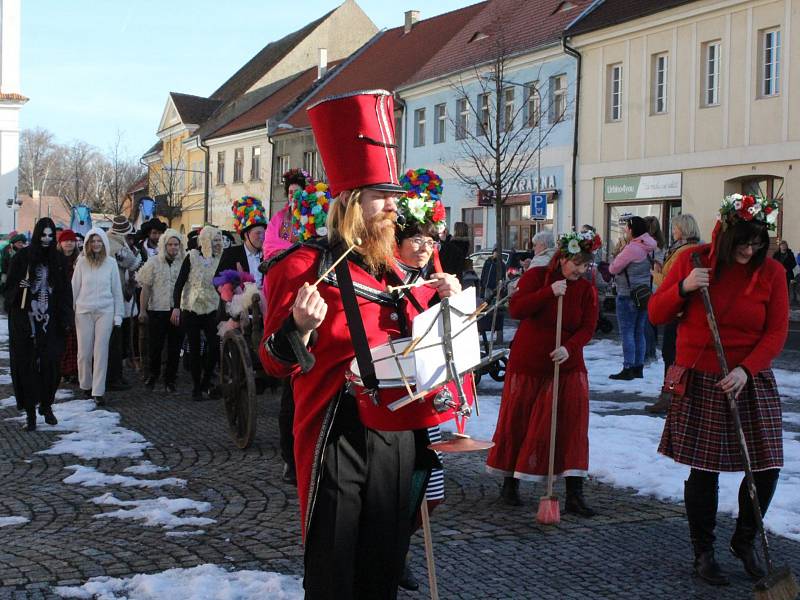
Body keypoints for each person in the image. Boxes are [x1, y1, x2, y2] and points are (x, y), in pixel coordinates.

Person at [259, 90, 459, 599]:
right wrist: (299, 327)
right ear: (350, 201)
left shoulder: (397, 270)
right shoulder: (302, 267)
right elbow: (272, 361)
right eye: (380, 196)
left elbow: (427, 348)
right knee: (335, 564)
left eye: (393, 195)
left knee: (383, 563)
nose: (394, 207)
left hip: (398, 430)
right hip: (339, 432)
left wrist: (446, 308)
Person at [649, 193, 788, 586]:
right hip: (702, 376)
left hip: (749, 377)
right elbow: (657, 313)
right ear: (726, 235)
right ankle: (703, 551)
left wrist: (747, 369)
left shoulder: (772, 274)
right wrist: (684, 288)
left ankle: (744, 541)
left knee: (767, 466)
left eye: (757, 244)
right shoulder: (695, 262)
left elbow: (776, 331)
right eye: (743, 242)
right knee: (705, 470)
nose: (749, 250)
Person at [486, 230, 600, 515]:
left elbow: (588, 327)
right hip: (530, 363)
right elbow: (517, 308)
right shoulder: (537, 277)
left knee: (571, 424)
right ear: (563, 258)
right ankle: (510, 484)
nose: (580, 270)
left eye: (585, 266)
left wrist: (570, 348)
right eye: (576, 264)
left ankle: (575, 493)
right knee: (521, 420)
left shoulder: (586, 289)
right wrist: (548, 292)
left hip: (567, 365)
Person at [392, 170, 449, 592]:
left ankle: (400, 550)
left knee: (428, 487)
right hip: (396, 399)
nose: (426, 248)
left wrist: (452, 300)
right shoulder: (388, 278)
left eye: (431, 242)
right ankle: (392, 554)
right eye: (418, 240)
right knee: (397, 487)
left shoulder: (427, 280)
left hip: (427, 396)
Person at [5, 218, 73, 430]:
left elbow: (64, 293)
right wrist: (19, 288)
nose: (46, 239)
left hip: (51, 324)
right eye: (43, 235)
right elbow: (7, 292)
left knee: (52, 366)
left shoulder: (58, 260)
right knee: (27, 368)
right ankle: (31, 414)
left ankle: (46, 404)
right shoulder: (23, 258)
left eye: (50, 236)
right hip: (26, 322)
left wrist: (66, 319)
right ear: (36, 235)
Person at [645, 214, 701, 413]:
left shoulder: (683, 251)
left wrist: (656, 275)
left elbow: (673, 282)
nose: (673, 231)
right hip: (682, 308)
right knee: (675, 355)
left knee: (671, 355)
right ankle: (673, 396)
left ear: (684, 229)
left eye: (676, 228)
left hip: (678, 309)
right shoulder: (688, 248)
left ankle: (669, 397)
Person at [71, 227, 124, 406]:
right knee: (84, 353)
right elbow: (74, 288)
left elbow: (117, 290)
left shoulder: (111, 263)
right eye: (92, 241)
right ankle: (85, 384)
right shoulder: (81, 263)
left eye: (99, 241)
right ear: (87, 243)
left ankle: (98, 390)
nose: (96, 244)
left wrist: (119, 314)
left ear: (104, 243)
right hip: (83, 311)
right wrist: (69, 312)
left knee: (101, 351)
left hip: (105, 311)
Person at [173, 226, 223, 400]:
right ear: (206, 240)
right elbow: (179, 283)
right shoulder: (192, 257)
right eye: (215, 240)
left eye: (219, 240)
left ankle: (206, 381)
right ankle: (196, 388)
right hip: (191, 308)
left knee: (215, 347)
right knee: (194, 349)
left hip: (212, 308)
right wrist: (176, 307)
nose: (218, 243)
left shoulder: (220, 259)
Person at [608, 216, 657, 380]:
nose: (624, 230)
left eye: (626, 228)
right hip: (643, 295)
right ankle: (638, 367)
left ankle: (628, 367)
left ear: (632, 229)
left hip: (627, 295)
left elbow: (613, 269)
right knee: (639, 332)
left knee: (627, 333)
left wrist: (619, 252)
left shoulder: (632, 249)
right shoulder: (650, 246)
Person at [137, 228, 184, 393]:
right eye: (170, 244)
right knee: (155, 347)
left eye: (176, 244)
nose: (173, 248)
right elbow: (146, 288)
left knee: (175, 347)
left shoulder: (184, 262)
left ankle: (170, 379)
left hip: (177, 310)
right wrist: (142, 310)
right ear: (164, 245)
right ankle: (153, 375)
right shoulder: (153, 262)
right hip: (157, 309)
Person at [105, 216, 142, 391]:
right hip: (114, 295)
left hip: (109, 295)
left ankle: (114, 375)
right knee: (114, 341)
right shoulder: (117, 246)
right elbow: (134, 264)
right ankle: (114, 377)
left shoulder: (107, 241)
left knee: (113, 340)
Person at [216, 197, 267, 288]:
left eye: (263, 233)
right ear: (247, 235)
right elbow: (218, 281)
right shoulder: (231, 254)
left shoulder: (267, 256)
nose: (262, 237)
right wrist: (232, 290)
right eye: (258, 233)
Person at [57, 229, 81, 383]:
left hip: (76, 302)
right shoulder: (55, 259)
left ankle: (73, 370)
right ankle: (61, 370)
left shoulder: (79, 260)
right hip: (59, 303)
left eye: (72, 240)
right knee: (61, 338)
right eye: (66, 240)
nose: (69, 243)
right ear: (60, 243)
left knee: (75, 338)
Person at [643, 216, 666, 363]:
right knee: (651, 320)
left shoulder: (648, 245)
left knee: (646, 321)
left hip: (649, 284)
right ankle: (651, 351)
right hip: (657, 285)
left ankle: (648, 353)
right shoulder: (661, 244)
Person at [772, 240, 796, 304]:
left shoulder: (790, 254)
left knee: (786, 288)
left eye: (784, 245)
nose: (783, 246)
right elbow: (773, 263)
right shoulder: (776, 254)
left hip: (787, 274)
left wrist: (787, 269)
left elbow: (794, 263)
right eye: (782, 245)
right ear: (779, 246)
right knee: (777, 287)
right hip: (778, 274)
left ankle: (785, 301)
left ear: (787, 246)